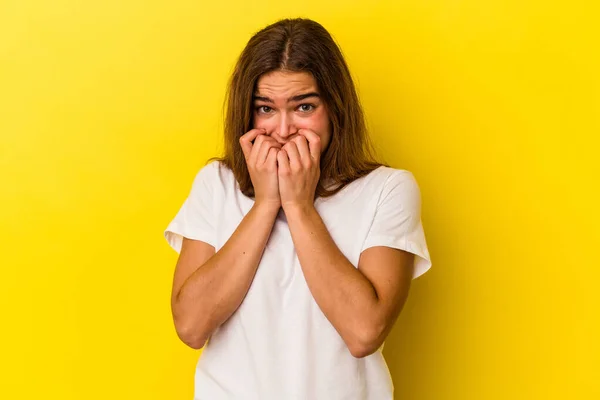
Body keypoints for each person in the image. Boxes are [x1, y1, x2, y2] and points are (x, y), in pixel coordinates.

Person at [164, 17, 432, 400]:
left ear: (334, 109)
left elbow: (363, 332)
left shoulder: (388, 190)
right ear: (247, 112)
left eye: (304, 107)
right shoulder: (216, 184)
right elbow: (190, 326)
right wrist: (267, 202)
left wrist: (298, 204)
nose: (283, 128)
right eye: (265, 109)